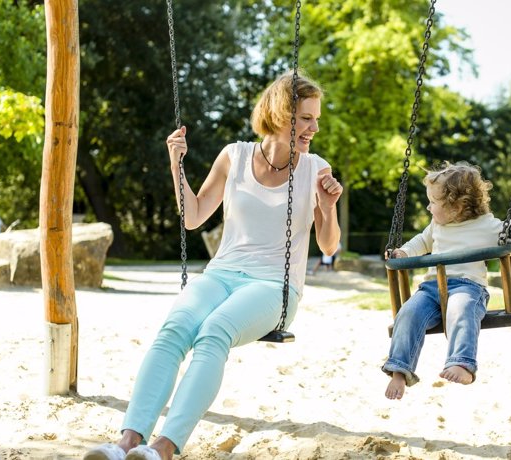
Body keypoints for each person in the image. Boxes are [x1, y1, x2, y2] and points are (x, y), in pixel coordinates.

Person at [84, 71, 342, 460]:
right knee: (174, 330)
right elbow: (194, 216)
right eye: (306, 118)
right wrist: (177, 166)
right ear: (280, 114)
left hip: (275, 286)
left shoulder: (315, 168)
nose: (314, 128)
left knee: (214, 332)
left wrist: (327, 206)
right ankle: (128, 442)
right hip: (222, 273)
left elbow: (328, 244)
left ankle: (165, 447)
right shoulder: (234, 156)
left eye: (315, 119)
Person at [381, 161, 511, 400]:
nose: (429, 207)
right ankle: (399, 369)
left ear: (457, 206)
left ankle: (462, 363)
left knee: (460, 310)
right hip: (431, 289)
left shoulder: (487, 225)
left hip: (468, 287)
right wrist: (404, 253)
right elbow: (420, 242)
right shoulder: (437, 225)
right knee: (408, 313)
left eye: (433, 202)